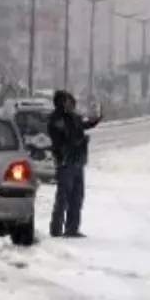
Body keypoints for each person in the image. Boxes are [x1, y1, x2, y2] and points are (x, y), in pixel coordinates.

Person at [46, 90, 102, 238]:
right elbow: (65, 139)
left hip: (77, 161)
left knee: (77, 197)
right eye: (68, 101)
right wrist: (81, 141)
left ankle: (72, 228)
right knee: (63, 197)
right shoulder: (57, 120)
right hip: (66, 162)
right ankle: (56, 229)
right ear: (61, 103)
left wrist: (96, 119)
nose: (71, 104)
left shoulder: (73, 117)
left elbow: (83, 126)